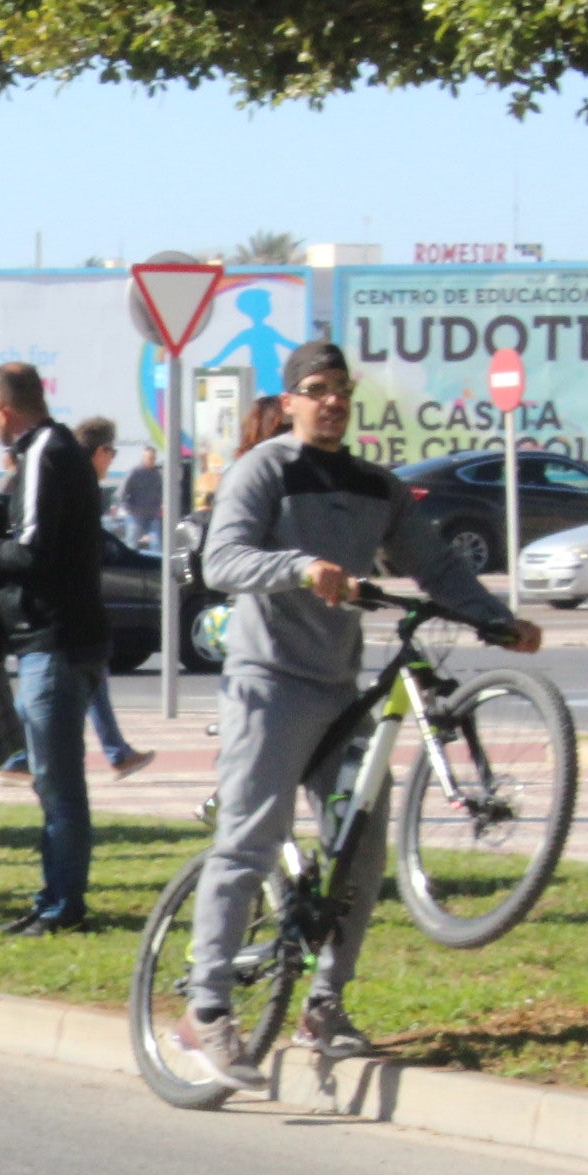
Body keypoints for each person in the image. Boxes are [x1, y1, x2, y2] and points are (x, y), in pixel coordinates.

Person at [181, 339, 535, 1081]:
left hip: (338, 691)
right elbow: (222, 560)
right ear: (290, 402)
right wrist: (301, 568)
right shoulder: (264, 470)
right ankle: (206, 1009)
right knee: (251, 836)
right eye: (316, 389)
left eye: (341, 389)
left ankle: (324, 1005)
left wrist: (495, 617)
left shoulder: (377, 487)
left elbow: (434, 566)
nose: (332, 401)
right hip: (267, 683)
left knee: (362, 847)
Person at [0, 362, 111, 935]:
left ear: (3, 410)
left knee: (57, 781)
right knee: (54, 779)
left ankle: (62, 902)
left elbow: (32, 550)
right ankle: (54, 895)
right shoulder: (59, 450)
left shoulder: (43, 453)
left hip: (53, 640)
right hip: (63, 637)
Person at [73, 416, 152, 779]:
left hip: (80, 601)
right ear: (101, 451)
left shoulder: (74, 481)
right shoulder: (80, 485)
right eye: (112, 452)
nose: (112, 460)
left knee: (91, 676)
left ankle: (117, 752)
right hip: (74, 603)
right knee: (59, 681)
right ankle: (19, 758)